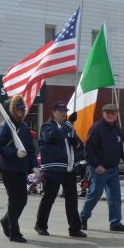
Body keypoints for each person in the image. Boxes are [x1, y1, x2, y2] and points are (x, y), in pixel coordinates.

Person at [34, 101, 86, 238]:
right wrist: (69, 124)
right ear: (54, 113)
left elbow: (81, 146)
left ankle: (74, 229)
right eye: (60, 111)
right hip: (53, 169)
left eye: (65, 111)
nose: (64, 114)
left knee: (72, 200)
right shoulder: (47, 126)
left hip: (69, 169)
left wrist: (76, 143)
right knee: (49, 198)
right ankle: (40, 225)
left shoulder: (69, 129)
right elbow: (54, 136)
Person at [80, 103, 124, 232]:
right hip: (99, 169)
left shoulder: (118, 130)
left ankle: (115, 222)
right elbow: (88, 149)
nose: (110, 115)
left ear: (116, 115)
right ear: (103, 113)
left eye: (113, 113)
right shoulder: (96, 128)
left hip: (113, 169)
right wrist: (96, 165)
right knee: (95, 194)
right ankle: (83, 217)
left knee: (115, 197)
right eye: (107, 112)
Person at [0, 95, 38, 243]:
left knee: (23, 200)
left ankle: (6, 221)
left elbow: (31, 150)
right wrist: (14, 153)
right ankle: (14, 232)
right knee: (14, 199)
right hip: (7, 167)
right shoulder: (4, 127)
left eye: (23, 108)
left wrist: (34, 166)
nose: (22, 110)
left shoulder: (25, 127)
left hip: (21, 168)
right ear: (12, 110)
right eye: (19, 108)